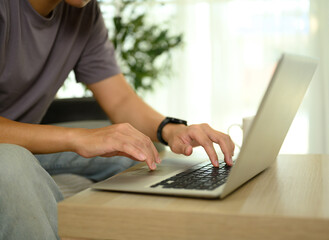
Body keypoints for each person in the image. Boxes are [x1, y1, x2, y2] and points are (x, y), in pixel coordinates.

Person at [0, 0, 235, 239]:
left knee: (135, 146)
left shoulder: (84, 12)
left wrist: (170, 130)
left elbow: (120, 99)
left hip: (21, 140)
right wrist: (79, 138)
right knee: (10, 163)